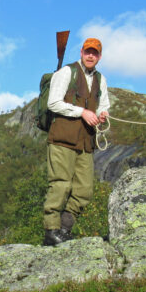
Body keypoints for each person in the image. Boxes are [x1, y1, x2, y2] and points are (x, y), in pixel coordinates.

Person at [42, 37, 110, 246]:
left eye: (95, 53)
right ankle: (51, 231)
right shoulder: (66, 73)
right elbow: (53, 103)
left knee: (84, 191)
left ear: (99, 56)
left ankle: (64, 228)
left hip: (85, 142)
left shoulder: (101, 79)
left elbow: (102, 104)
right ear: (81, 52)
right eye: (88, 51)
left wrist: (101, 114)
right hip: (62, 139)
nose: (91, 55)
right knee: (60, 185)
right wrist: (82, 112)